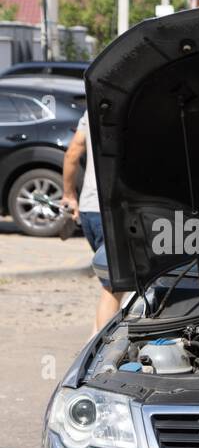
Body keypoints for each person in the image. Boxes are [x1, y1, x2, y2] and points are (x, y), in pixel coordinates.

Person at [62, 111, 123, 329]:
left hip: (90, 208)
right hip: (118, 211)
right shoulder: (142, 100)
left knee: (111, 285)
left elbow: (72, 154)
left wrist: (69, 195)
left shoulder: (94, 107)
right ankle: (101, 346)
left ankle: (97, 338)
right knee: (114, 287)